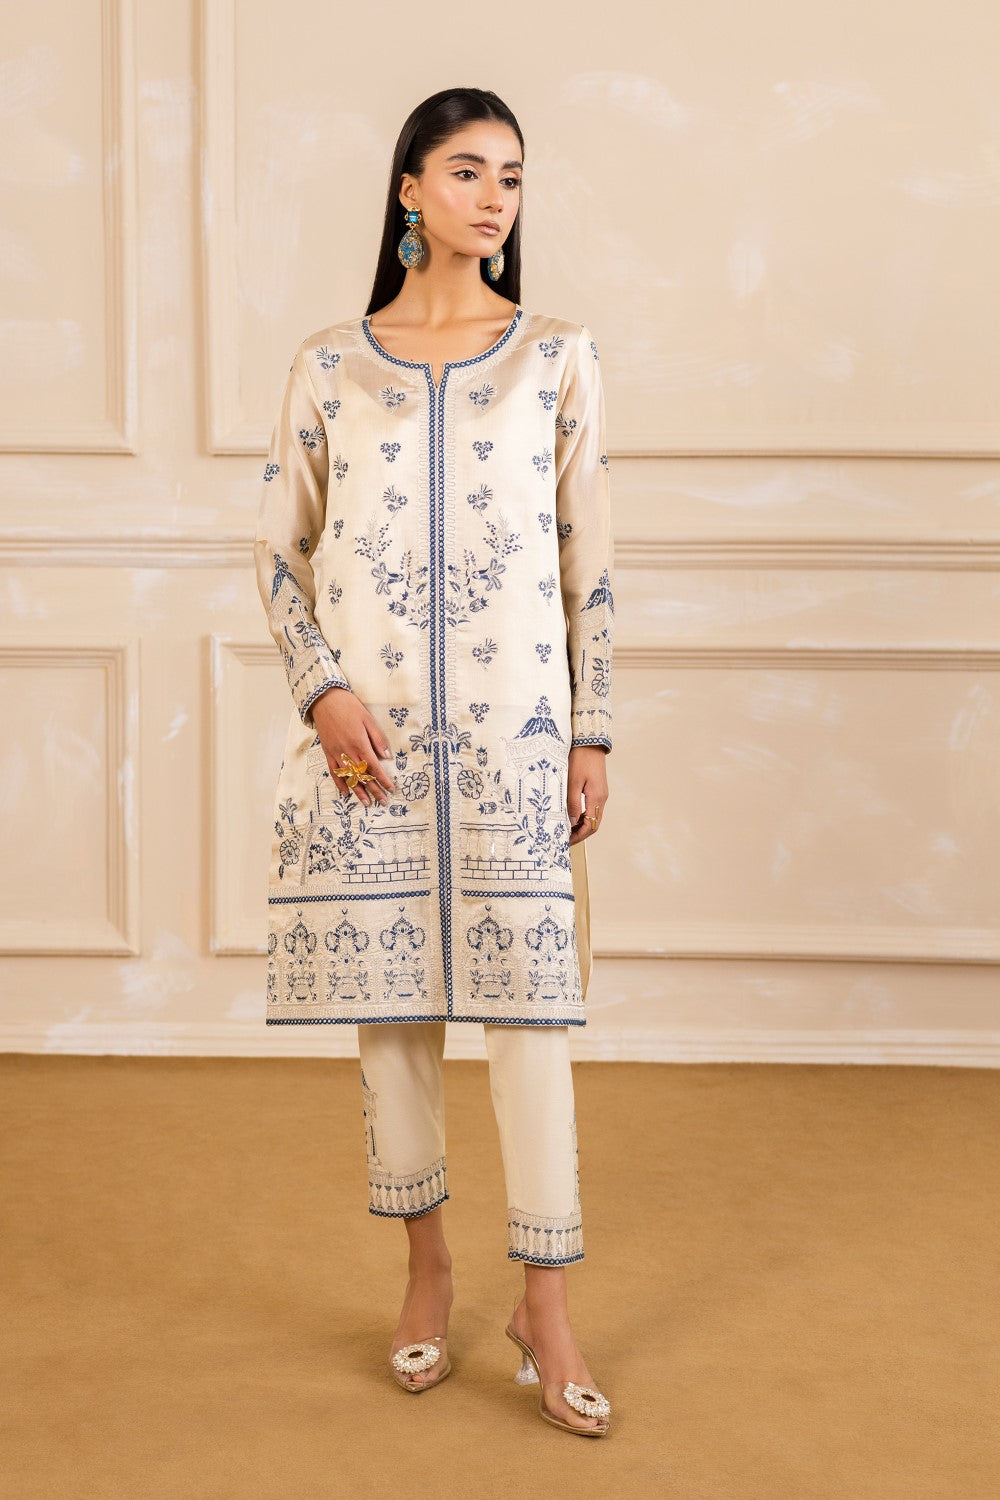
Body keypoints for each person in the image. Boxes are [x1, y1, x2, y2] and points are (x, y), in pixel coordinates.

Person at [253, 87, 615, 1437]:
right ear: (409, 188)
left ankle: (548, 1308)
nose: (494, 199)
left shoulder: (558, 358)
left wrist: (591, 726)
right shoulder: (328, 365)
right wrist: (324, 692)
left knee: (534, 1026)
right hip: (376, 746)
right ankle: (428, 1274)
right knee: (395, 1015)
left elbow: (590, 557)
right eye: (467, 172)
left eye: (511, 177)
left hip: (518, 740)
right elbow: (278, 555)